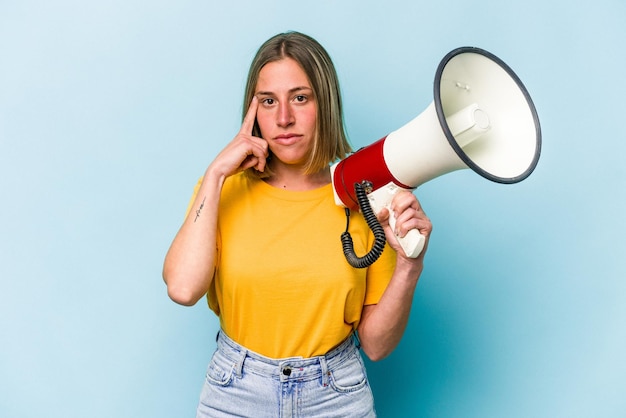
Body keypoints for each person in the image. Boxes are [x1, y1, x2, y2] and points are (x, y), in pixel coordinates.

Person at [162, 31, 432, 417]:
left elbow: (376, 345)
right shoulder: (220, 192)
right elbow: (184, 288)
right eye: (268, 102)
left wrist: (409, 266)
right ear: (251, 112)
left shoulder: (364, 196)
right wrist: (216, 173)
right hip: (236, 391)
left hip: (335, 394)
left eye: (300, 98)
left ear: (325, 103)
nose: (284, 118)